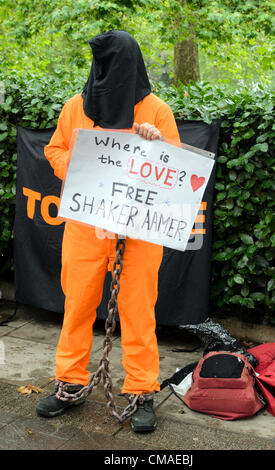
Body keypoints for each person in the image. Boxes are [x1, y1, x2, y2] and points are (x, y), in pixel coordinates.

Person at [36, 29, 180, 432]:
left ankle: (141, 390)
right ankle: (70, 382)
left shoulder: (156, 111)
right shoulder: (75, 108)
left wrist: (156, 145)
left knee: (138, 310)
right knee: (77, 304)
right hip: (85, 226)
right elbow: (55, 149)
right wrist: (80, 164)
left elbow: (176, 171)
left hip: (138, 232)